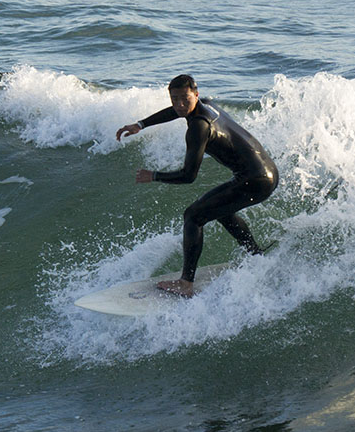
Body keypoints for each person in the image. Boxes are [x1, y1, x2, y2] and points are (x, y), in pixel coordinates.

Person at [116, 74, 279, 297]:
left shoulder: (198, 128)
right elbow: (176, 111)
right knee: (222, 211)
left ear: (196, 94)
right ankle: (255, 254)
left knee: (193, 216)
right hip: (267, 172)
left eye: (185, 99)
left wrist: (153, 175)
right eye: (174, 99)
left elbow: (188, 176)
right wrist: (140, 125)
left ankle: (186, 283)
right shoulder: (207, 106)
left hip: (255, 180)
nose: (180, 105)